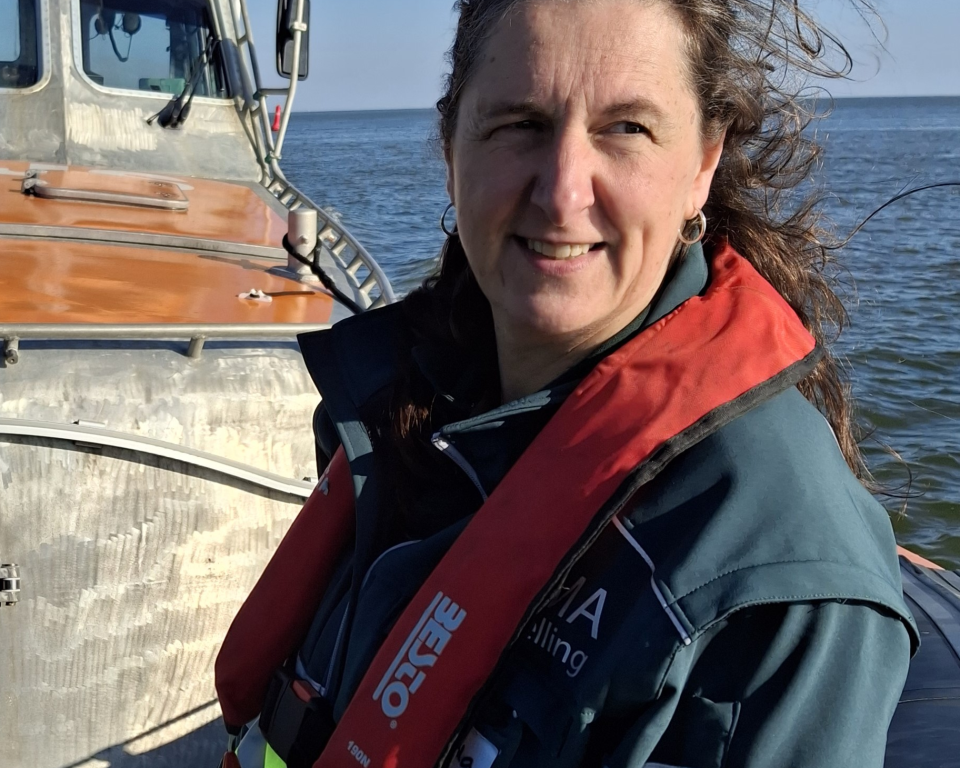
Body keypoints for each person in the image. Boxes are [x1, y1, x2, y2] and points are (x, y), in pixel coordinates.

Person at [216, 1, 919, 766]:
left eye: (626, 129)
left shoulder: (777, 571)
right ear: (451, 145)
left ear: (702, 167)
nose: (560, 192)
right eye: (519, 122)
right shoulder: (402, 409)